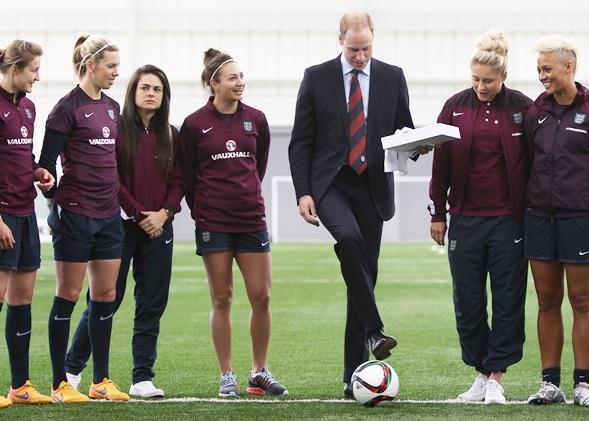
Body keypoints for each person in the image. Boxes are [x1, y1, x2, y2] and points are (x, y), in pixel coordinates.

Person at [288, 11, 416, 399]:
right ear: (340, 40)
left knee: (362, 278)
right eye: (354, 49)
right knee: (347, 239)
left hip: (372, 187)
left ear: (373, 40)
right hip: (330, 183)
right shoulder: (316, 76)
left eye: (367, 49)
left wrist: (416, 143)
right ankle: (376, 328)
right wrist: (303, 192)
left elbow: (403, 129)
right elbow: (301, 142)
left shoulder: (393, 76)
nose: (361, 57)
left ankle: (351, 376)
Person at [63, 65, 181, 398]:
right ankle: (71, 372)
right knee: (103, 302)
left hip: (160, 228)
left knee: (151, 305)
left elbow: (180, 180)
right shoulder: (115, 130)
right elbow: (110, 178)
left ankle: (142, 378)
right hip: (118, 227)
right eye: (145, 87)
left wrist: (164, 213)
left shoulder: (172, 134)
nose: (151, 94)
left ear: (164, 96)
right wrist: (138, 213)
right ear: (133, 92)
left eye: (157, 89)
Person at [176, 49, 287, 398]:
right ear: (214, 84)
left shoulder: (257, 119)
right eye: (232, 77)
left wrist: (244, 194)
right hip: (214, 221)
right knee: (221, 299)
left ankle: (259, 372)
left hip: (251, 218)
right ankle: (227, 375)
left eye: (242, 77)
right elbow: (188, 174)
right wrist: (203, 210)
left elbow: (259, 165)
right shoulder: (194, 124)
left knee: (262, 297)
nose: (240, 83)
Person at [429, 31, 532, 405]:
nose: (480, 86)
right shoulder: (454, 106)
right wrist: (437, 213)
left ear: (502, 77)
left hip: (509, 221)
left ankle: (496, 377)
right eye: (475, 79)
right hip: (465, 220)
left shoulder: (522, 107)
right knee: (468, 301)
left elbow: (537, 162)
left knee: (507, 300)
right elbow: (440, 162)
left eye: (487, 81)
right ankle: (479, 373)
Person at [523, 35, 589, 406]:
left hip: (582, 218)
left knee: (582, 300)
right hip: (539, 218)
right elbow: (529, 163)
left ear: (569, 67)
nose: (542, 76)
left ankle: (583, 385)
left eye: (547, 69)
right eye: (538, 70)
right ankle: (550, 383)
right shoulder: (536, 114)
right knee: (547, 300)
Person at [38, 34, 129, 403]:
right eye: (110, 66)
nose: (115, 73)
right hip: (75, 214)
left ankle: (100, 380)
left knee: (105, 295)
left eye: (118, 67)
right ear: (90, 65)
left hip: (109, 215)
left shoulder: (112, 108)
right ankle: (60, 384)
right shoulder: (65, 109)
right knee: (68, 295)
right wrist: (51, 192)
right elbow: (46, 167)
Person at [0, 40, 54, 407]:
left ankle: (20, 386)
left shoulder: (30, 108)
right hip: (2, 216)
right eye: (33, 69)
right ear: (15, 68)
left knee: (22, 299)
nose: (38, 76)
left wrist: (37, 171)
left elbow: (21, 155)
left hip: (25, 212)